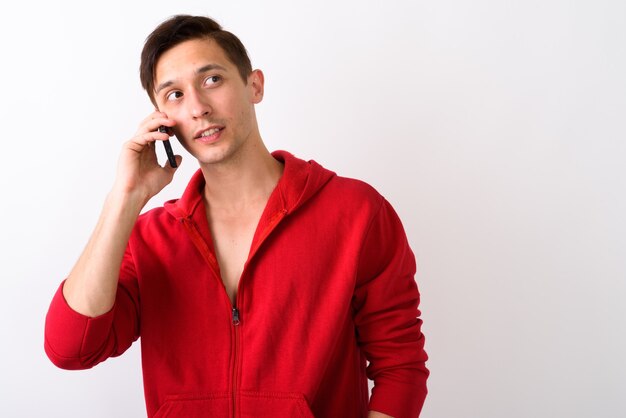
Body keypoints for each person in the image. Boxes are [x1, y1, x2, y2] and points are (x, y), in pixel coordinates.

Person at [44, 14, 428, 418]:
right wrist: (124, 198)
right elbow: (72, 348)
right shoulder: (148, 239)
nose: (197, 108)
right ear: (162, 121)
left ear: (254, 85)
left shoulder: (355, 213)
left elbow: (400, 368)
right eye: (174, 95)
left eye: (212, 80)